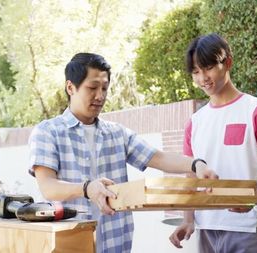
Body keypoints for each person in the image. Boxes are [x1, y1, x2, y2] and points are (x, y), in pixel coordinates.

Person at [28, 52, 218, 253]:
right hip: (69, 244)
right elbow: (48, 187)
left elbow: (159, 157)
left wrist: (196, 164)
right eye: (92, 88)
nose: (100, 96)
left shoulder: (117, 133)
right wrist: (87, 189)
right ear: (70, 87)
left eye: (104, 88)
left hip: (116, 242)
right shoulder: (47, 132)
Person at [169, 33, 257, 252]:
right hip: (206, 230)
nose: (202, 77)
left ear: (228, 62)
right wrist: (188, 220)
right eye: (195, 72)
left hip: (248, 229)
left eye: (208, 68)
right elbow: (191, 177)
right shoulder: (194, 122)